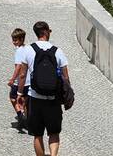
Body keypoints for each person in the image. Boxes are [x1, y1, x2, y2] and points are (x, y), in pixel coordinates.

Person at [15, 20, 70, 156]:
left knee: (37, 135)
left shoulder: (28, 50)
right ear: (45, 31)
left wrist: (20, 93)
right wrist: (66, 95)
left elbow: (22, 75)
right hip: (53, 100)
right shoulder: (57, 51)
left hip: (35, 98)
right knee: (54, 134)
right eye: (49, 31)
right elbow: (66, 77)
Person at [7, 28, 29, 130]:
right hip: (28, 80)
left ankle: (20, 115)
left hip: (20, 81)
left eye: (15, 40)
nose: (13, 42)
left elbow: (18, 67)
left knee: (13, 98)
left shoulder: (19, 51)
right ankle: (26, 119)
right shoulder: (27, 49)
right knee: (24, 99)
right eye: (13, 40)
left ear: (21, 39)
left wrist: (12, 79)